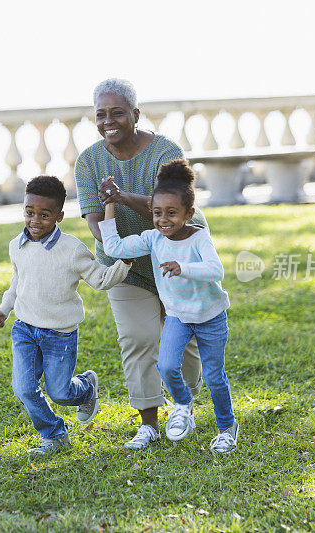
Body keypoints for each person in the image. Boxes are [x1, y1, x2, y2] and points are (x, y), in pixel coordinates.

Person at [75, 78, 210, 449]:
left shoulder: (165, 151)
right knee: (137, 339)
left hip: (177, 256)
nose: (108, 121)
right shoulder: (88, 160)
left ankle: (183, 403)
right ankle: (148, 422)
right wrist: (119, 246)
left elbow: (169, 208)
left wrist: (121, 197)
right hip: (126, 265)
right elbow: (93, 219)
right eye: (100, 114)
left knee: (183, 342)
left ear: (135, 114)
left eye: (117, 113)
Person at [99, 159, 238, 453]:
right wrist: (110, 203)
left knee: (214, 377)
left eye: (172, 213)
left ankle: (227, 427)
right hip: (178, 317)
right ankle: (184, 405)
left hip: (210, 317)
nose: (163, 220)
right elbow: (113, 248)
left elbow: (216, 271)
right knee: (166, 365)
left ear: (189, 213)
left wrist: (183, 267)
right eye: (157, 213)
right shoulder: (153, 238)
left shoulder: (199, 237)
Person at [0, 175, 132, 456]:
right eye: (30, 212)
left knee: (60, 393)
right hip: (25, 329)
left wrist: (123, 263)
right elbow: (18, 282)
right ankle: (54, 434)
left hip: (60, 335)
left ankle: (86, 389)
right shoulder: (17, 245)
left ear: (59, 216)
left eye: (44, 215)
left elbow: (100, 280)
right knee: (23, 388)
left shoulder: (72, 249)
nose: (35, 220)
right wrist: (5, 309)